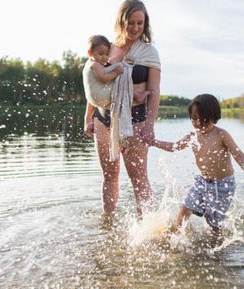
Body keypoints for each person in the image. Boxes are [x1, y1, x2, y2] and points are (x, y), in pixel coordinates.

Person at [144, 94, 244, 237]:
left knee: (214, 224)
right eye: (193, 118)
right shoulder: (193, 136)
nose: (197, 123)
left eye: (202, 119)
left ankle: (218, 248)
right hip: (202, 182)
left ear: (213, 117)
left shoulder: (221, 135)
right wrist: (153, 142)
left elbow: (240, 156)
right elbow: (174, 146)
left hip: (223, 186)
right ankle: (175, 238)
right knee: (184, 209)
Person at [83, 0, 161, 216]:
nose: (135, 28)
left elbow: (154, 92)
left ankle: (146, 227)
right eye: (131, 23)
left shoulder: (149, 53)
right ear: (121, 21)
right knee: (109, 176)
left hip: (135, 119)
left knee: (138, 177)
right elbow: (96, 85)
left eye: (140, 23)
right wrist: (88, 117)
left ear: (145, 24)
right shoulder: (107, 49)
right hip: (103, 117)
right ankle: (107, 224)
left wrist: (150, 125)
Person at [82, 34, 150, 111]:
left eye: (107, 54)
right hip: (100, 96)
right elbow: (103, 78)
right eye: (100, 54)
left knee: (117, 86)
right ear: (90, 53)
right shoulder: (95, 65)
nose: (104, 57)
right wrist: (115, 73)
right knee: (120, 84)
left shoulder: (89, 64)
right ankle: (136, 95)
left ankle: (133, 96)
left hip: (93, 99)